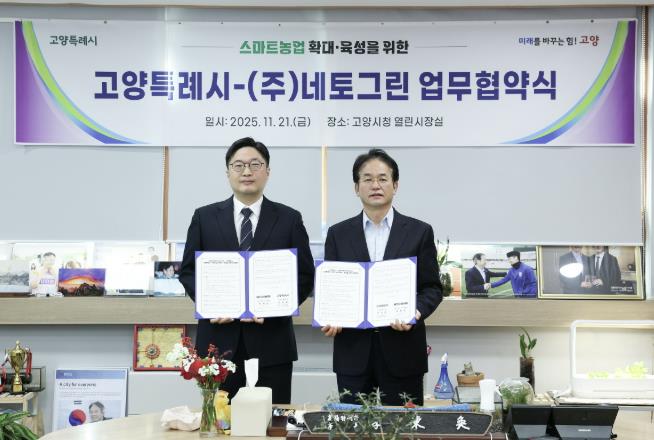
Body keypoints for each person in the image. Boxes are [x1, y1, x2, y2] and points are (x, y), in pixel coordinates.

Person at [179, 137, 315, 404]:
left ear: (267, 171)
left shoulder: (289, 219)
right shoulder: (204, 217)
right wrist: (211, 305)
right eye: (238, 165)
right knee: (220, 419)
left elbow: (305, 275)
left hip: (272, 342)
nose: (247, 172)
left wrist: (276, 307)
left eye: (255, 164)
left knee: (272, 419)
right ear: (228, 172)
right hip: (217, 346)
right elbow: (188, 271)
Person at [321, 148, 441, 406]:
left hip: (403, 351)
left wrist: (415, 313)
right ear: (356, 187)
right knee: (351, 425)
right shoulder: (338, 234)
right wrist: (331, 317)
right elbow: (332, 289)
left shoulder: (419, 232)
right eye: (367, 179)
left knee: (404, 425)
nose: (375, 185)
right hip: (352, 352)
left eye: (383, 178)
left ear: (395, 185)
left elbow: (432, 288)